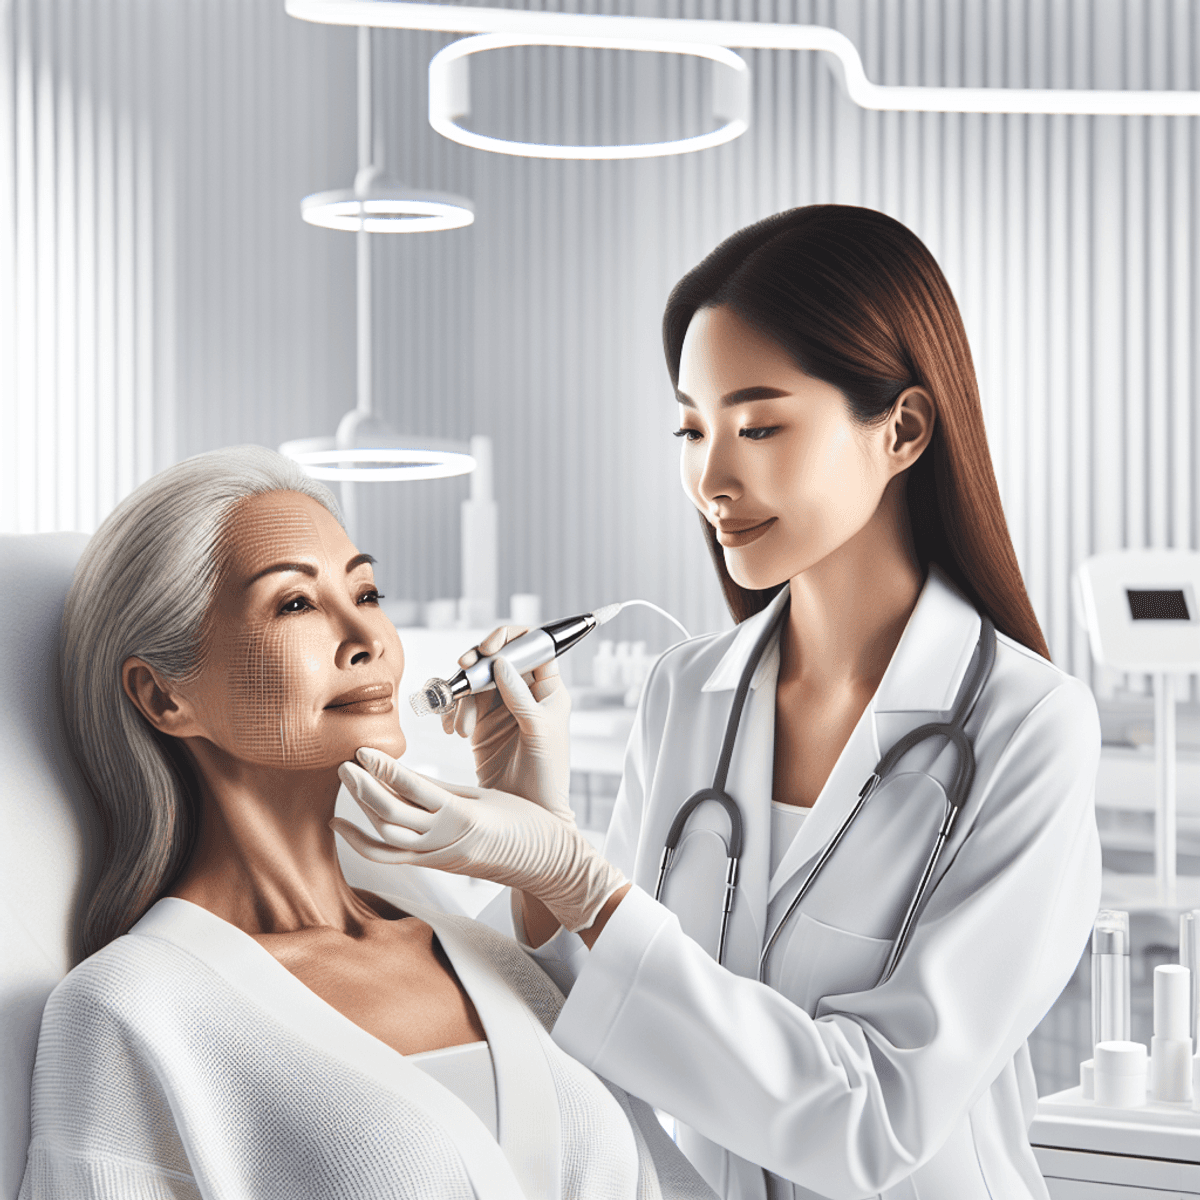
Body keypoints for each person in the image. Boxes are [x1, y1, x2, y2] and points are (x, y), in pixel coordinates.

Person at [334, 206, 1103, 1200]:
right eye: (691, 430)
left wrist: (579, 881)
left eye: (761, 426)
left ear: (902, 429)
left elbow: (874, 1120)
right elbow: (611, 1032)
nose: (711, 477)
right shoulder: (686, 694)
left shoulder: (1028, 730)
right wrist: (540, 839)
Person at [19, 445, 715, 1200]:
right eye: (295, 604)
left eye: (369, 592)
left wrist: (543, 841)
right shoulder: (131, 1011)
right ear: (162, 698)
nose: (369, 640)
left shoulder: (490, 955)